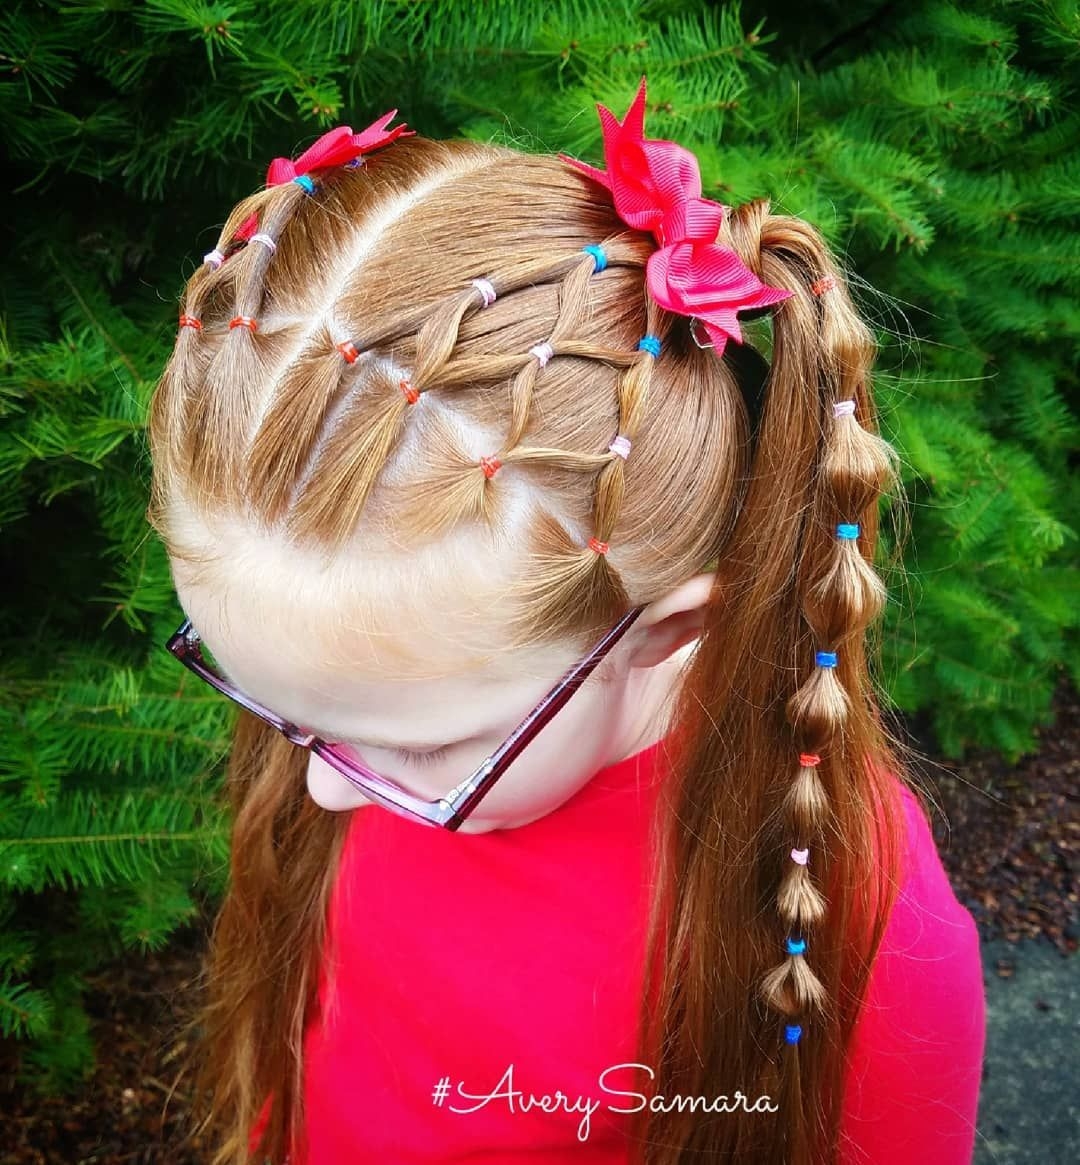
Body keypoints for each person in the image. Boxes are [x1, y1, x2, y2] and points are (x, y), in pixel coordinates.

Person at [147, 77, 985, 1165]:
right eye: (275, 710)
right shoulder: (378, 708)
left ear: (662, 634)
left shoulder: (841, 908)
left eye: (425, 751)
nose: (324, 790)